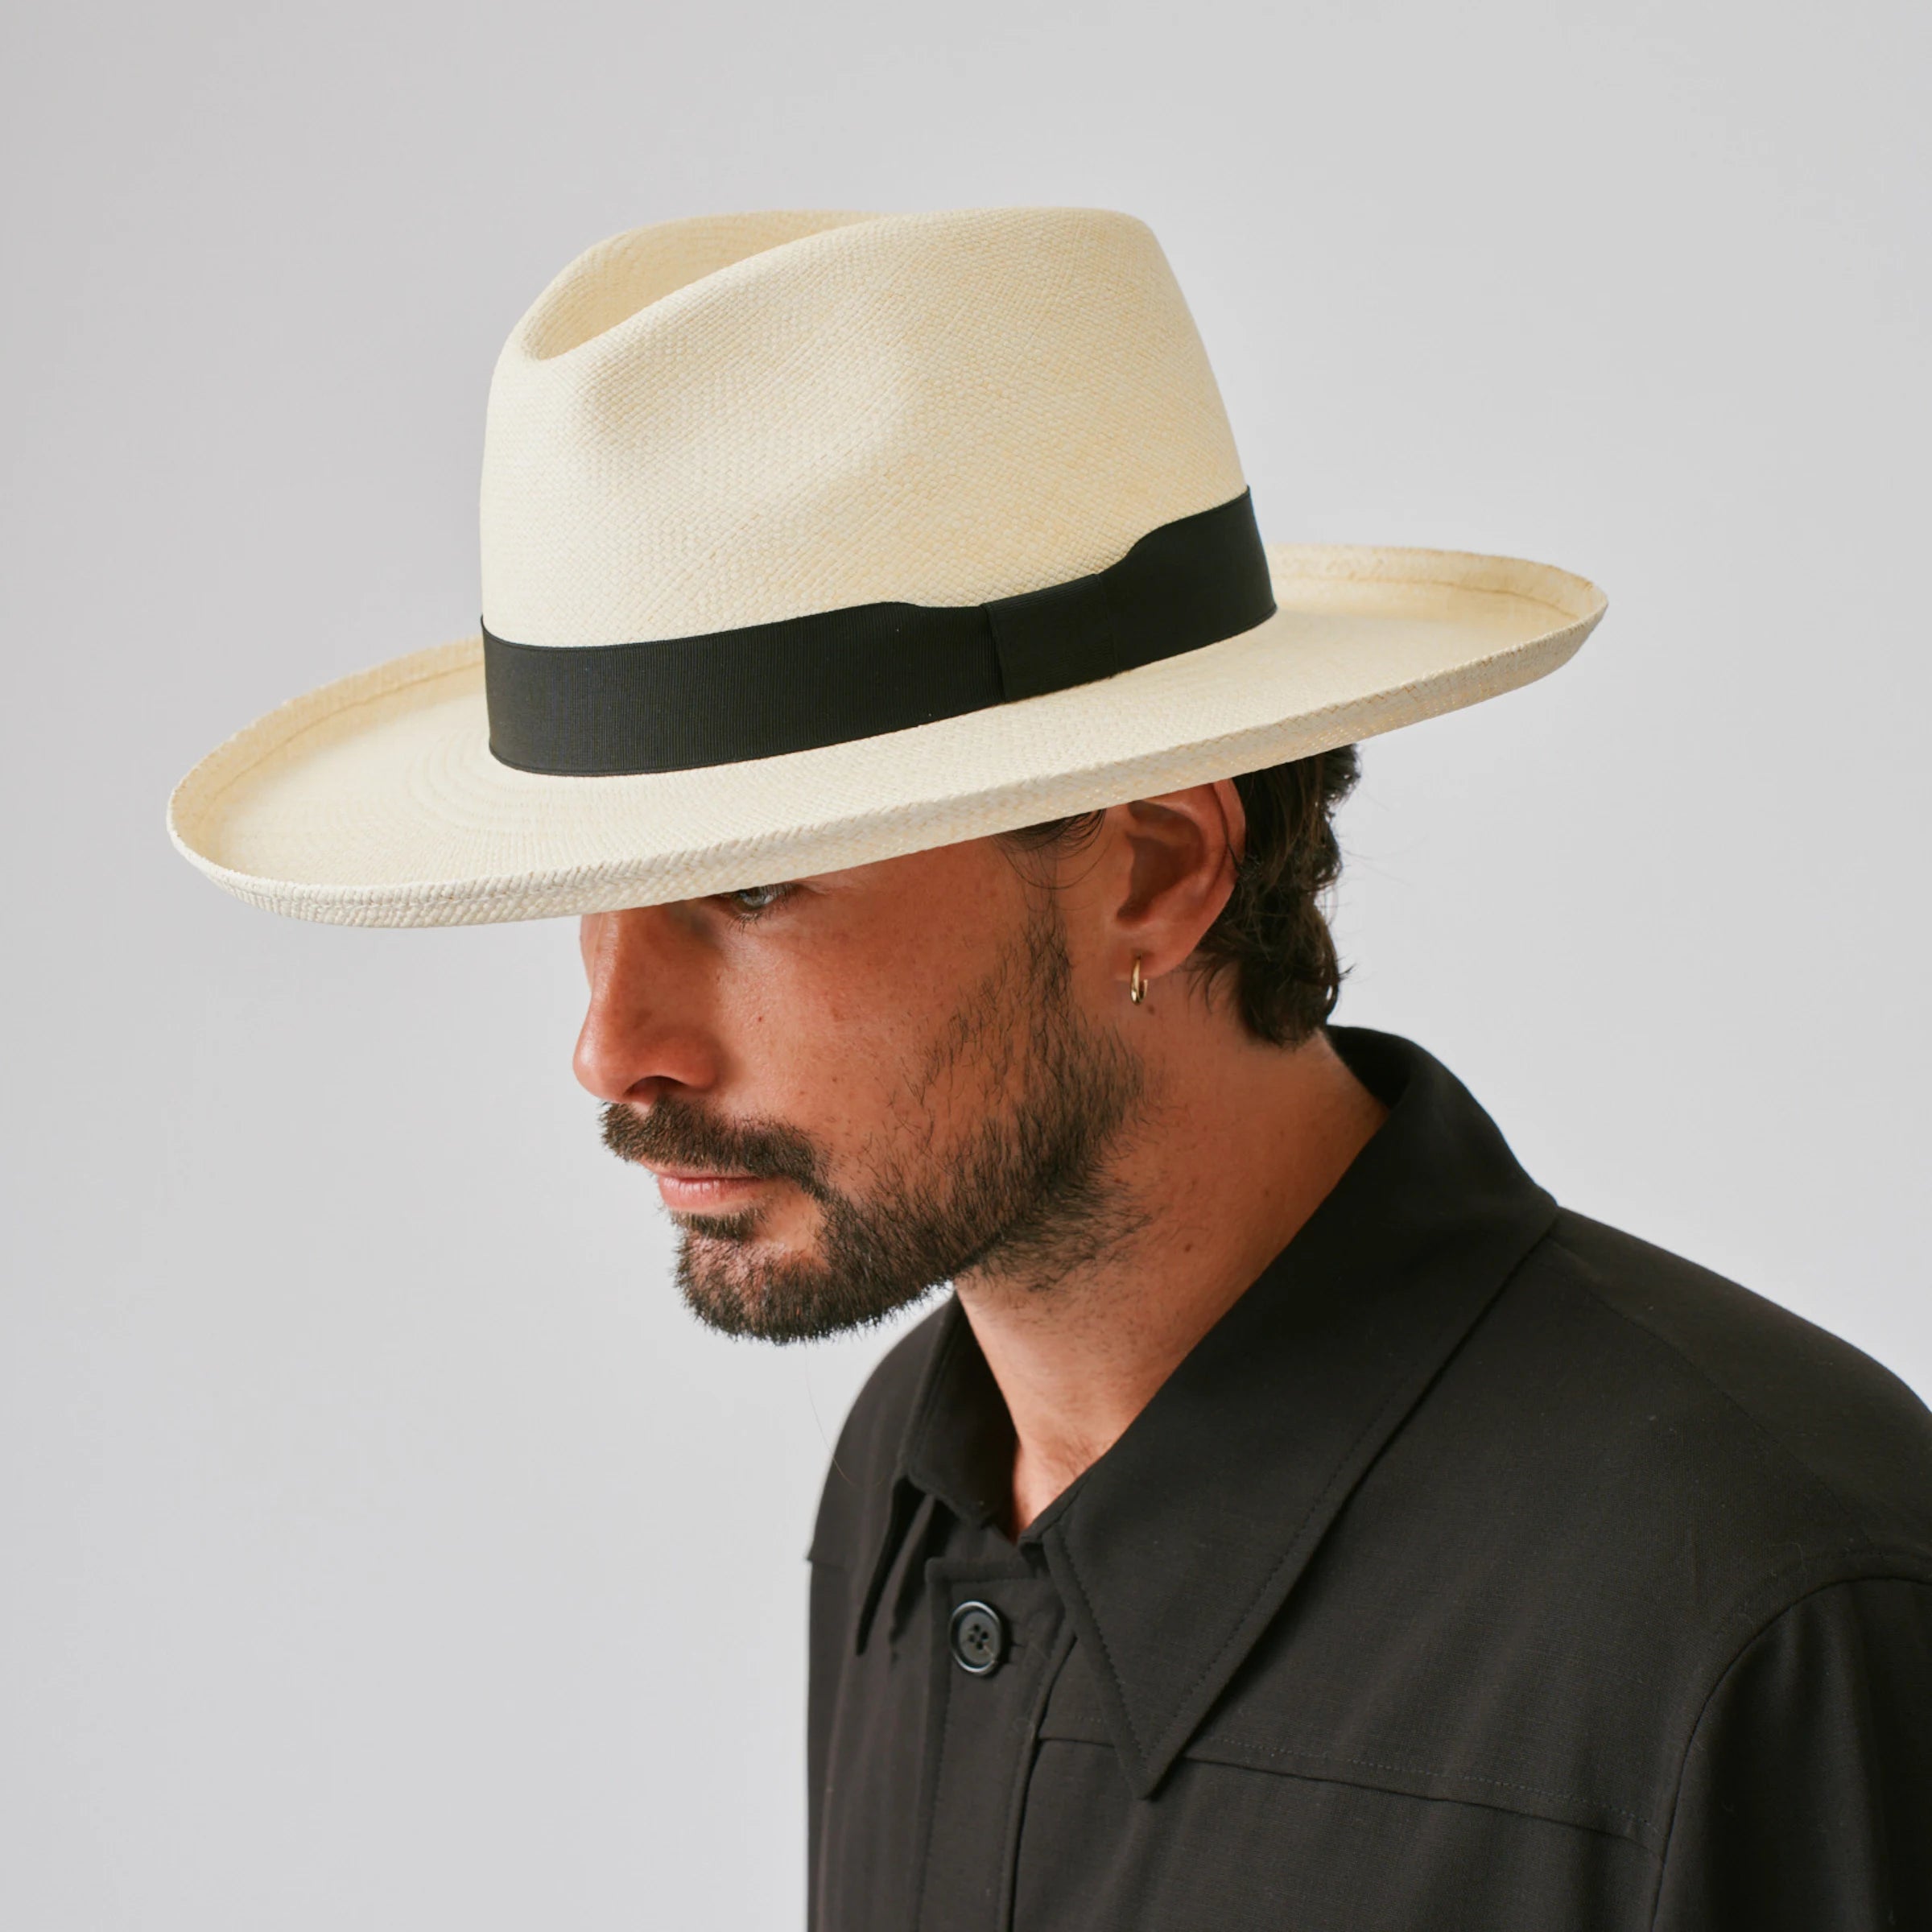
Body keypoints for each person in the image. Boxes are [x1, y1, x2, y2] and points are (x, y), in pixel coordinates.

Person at [171, 208, 1932, 1930]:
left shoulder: (1763, 1608)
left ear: (1158, 869)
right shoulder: (917, 1476)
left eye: (754, 889)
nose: (610, 1047)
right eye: (590, 905)